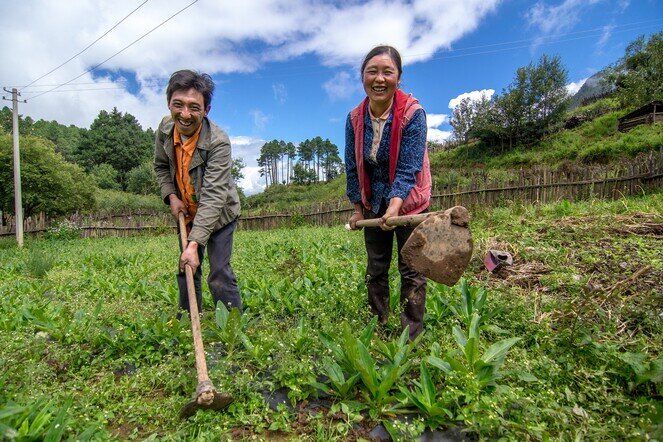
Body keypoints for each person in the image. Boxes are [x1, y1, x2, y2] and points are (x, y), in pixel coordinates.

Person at [345, 45, 432, 340]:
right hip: (374, 199)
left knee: (412, 269)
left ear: (399, 77)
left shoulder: (412, 113)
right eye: (372, 71)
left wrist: (395, 206)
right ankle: (379, 325)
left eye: (387, 72)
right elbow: (352, 165)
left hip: (408, 204)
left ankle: (411, 336)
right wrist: (359, 208)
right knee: (376, 268)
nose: (379, 79)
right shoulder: (355, 118)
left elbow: (409, 167)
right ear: (363, 77)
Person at [154, 69, 243, 316]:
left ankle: (231, 322)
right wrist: (171, 196)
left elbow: (215, 196)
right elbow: (161, 166)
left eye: (194, 107)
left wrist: (194, 243)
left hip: (220, 215)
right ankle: (188, 317)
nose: (185, 114)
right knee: (187, 265)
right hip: (186, 210)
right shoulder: (164, 129)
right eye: (178, 105)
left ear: (206, 110)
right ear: (169, 103)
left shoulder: (218, 142)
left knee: (219, 271)